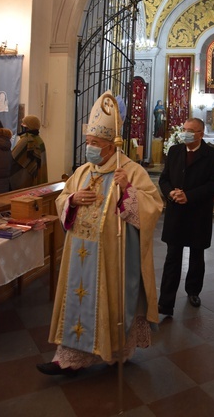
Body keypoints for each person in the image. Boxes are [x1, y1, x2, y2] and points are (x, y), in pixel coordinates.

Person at [36, 91, 163, 376]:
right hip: (79, 255)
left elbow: (153, 206)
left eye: (95, 143)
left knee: (112, 302)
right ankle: (69, 356)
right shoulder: (82, 171)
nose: (89, 148)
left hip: (114, 257)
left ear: (110, 146)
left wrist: (127, 190)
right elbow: (63, 198)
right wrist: (71, 201)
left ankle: (116, 350)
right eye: (89, 142)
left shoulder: (129, 170)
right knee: (77, 302)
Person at [158, 117, 214, 316]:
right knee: (172, 257)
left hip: (198, 213)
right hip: (175, 212)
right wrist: (170, 193)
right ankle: (166, 302)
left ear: (201, 134)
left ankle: (193, 291)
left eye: (191, 130)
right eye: (184, 129)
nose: (185, 133)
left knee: (197, 256)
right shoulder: (175, 151)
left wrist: (189, 196)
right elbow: (164, 179)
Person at [10, 115, 48, 190]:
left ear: (29, 126)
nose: (21, 125)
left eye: (23, 123)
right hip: (36, 176)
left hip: (25, 177)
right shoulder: (39, 139)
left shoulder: (27, 140)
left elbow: (12, 158)